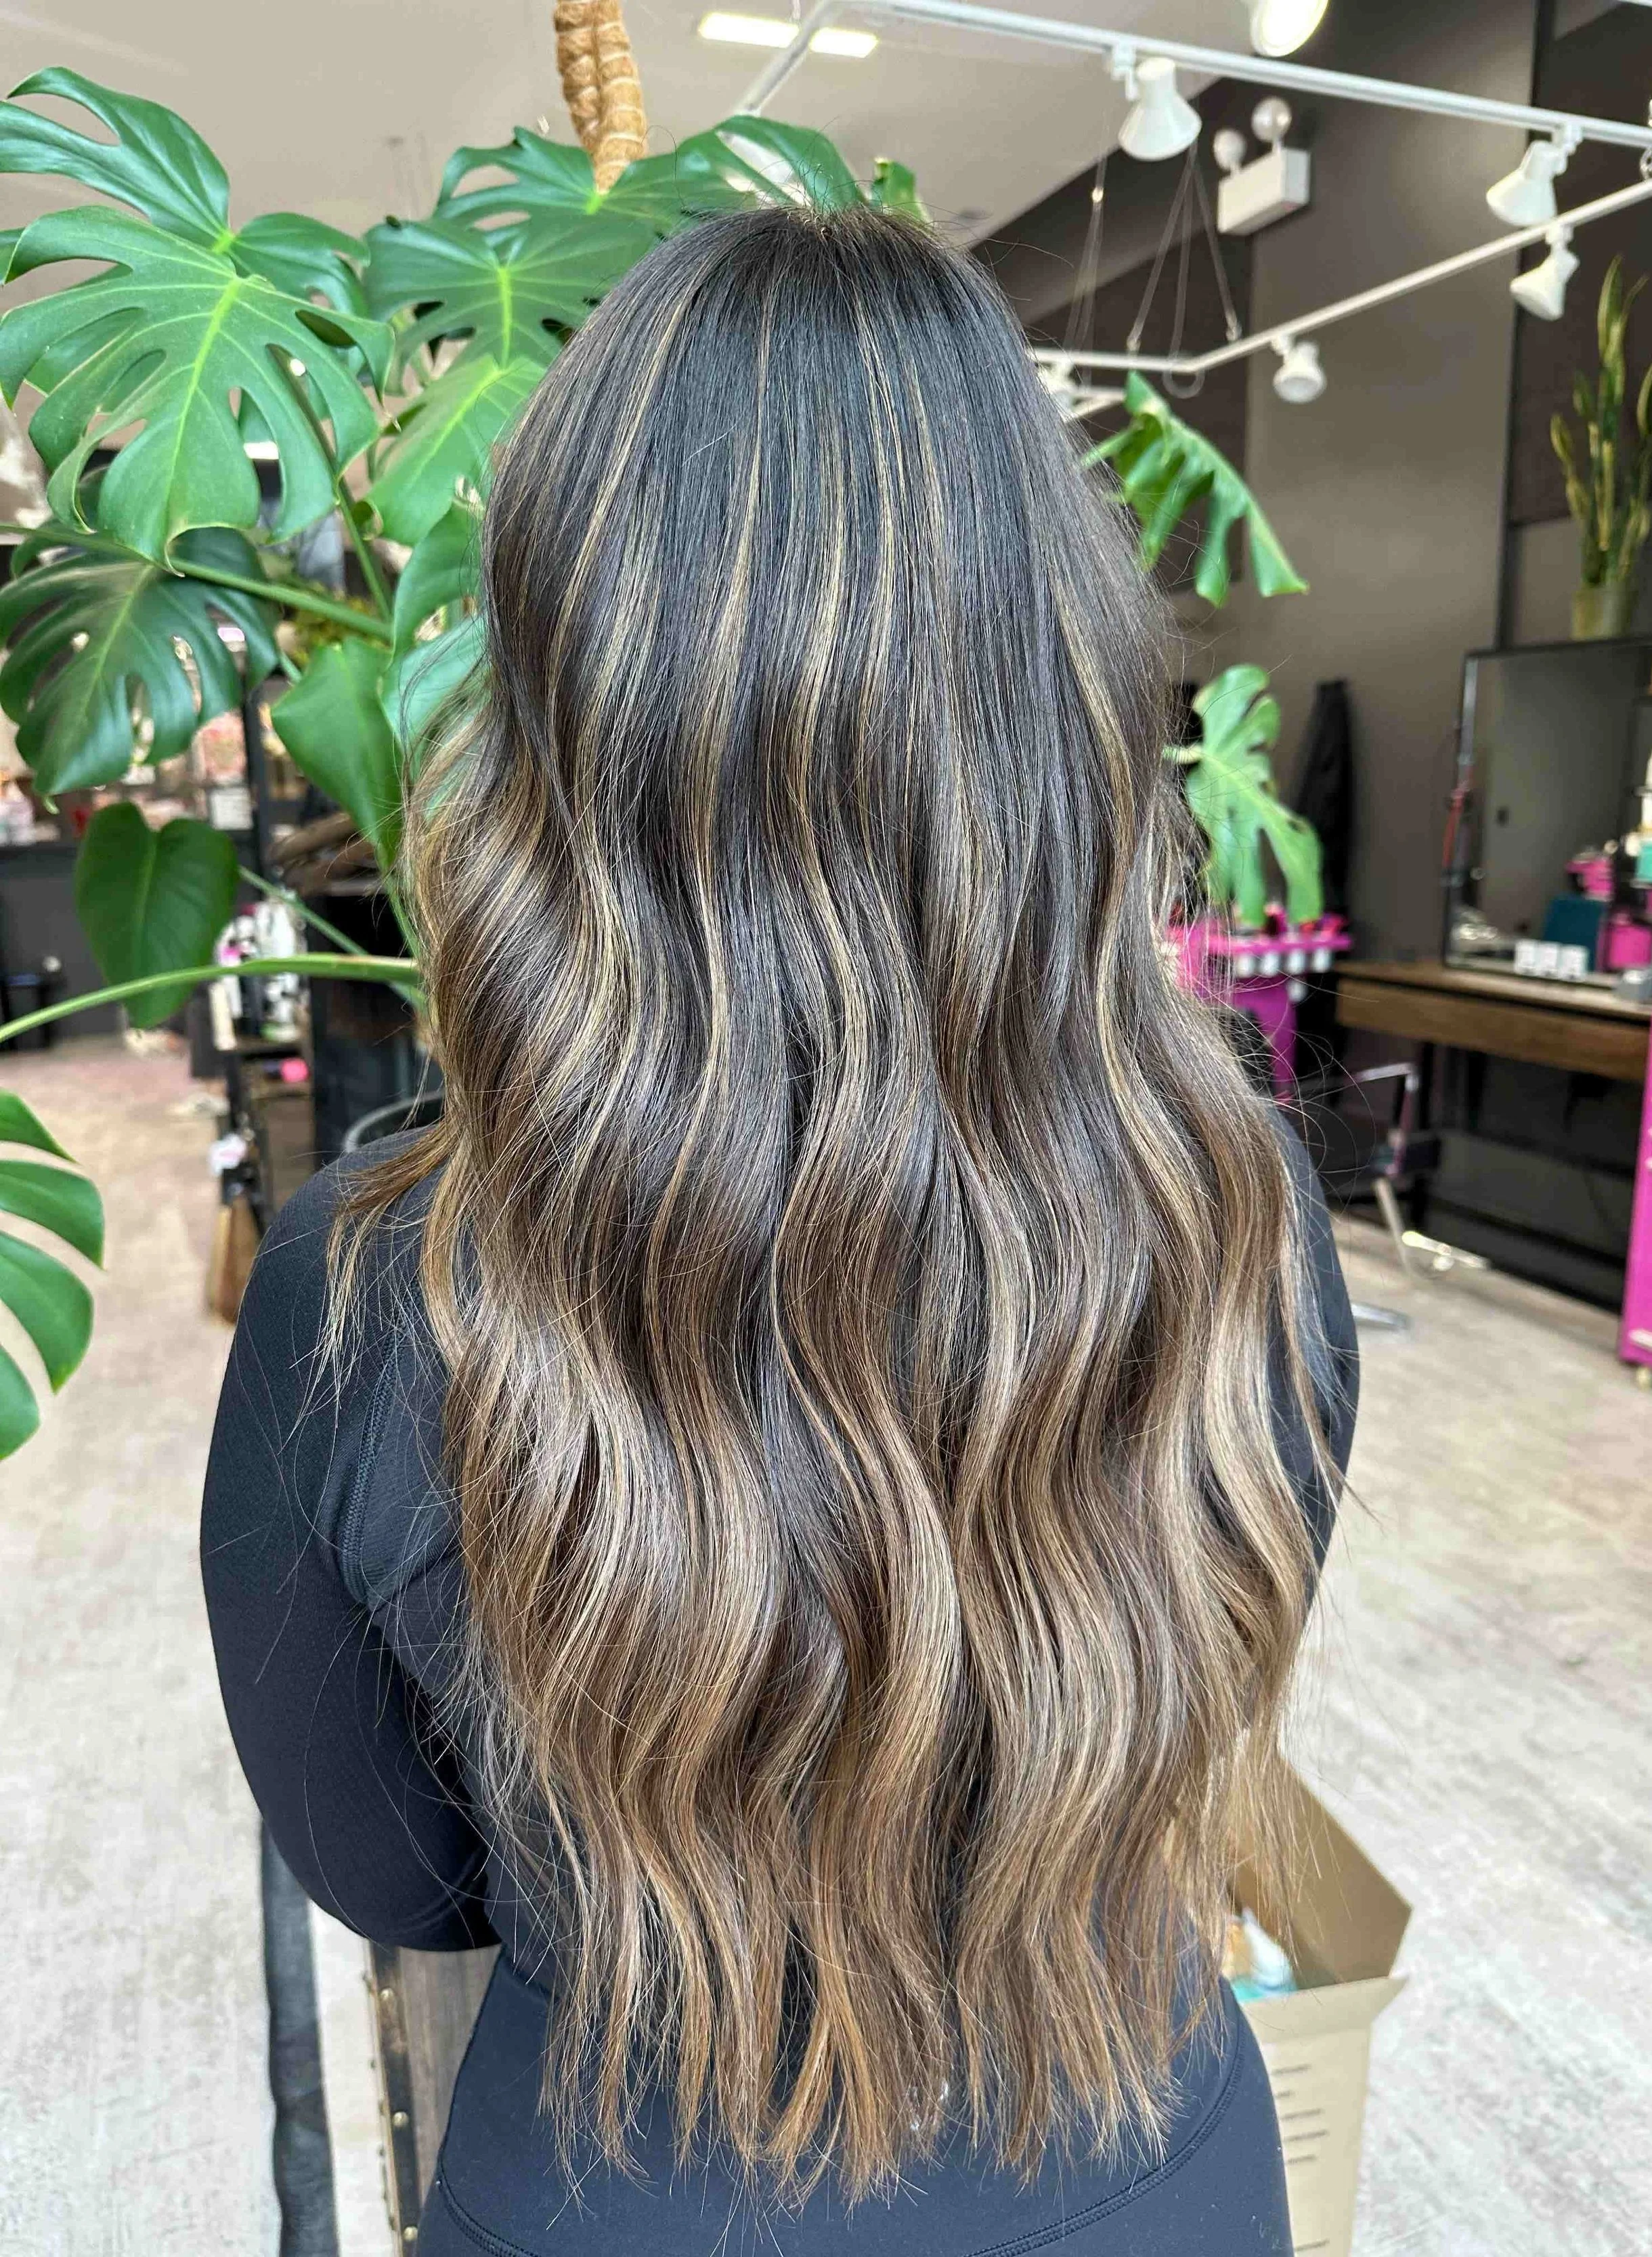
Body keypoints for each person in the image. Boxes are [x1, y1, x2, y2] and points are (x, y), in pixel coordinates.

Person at [202, 205, 1358, 2256]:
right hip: (1151, 2174)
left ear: (564, 689)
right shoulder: (1241, 1216)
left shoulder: (373, 1299)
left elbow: (392, 1874)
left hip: (621, 2197)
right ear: (1056, 677)